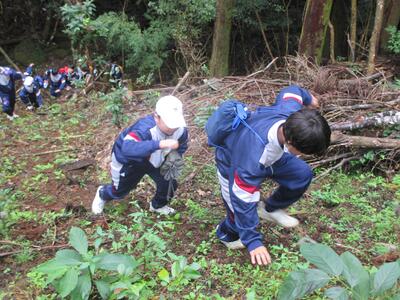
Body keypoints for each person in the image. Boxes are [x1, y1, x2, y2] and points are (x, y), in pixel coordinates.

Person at [212, 85, 331, 266]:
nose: (303, 156)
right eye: (303, 152)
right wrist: (253, 241)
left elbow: (292, 92)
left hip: (272, 156)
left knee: (301, 173)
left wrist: (309, 99)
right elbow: (242, 199)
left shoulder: (290, 115)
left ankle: (269, 208)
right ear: (290, 142)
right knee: (238, 214)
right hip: (233, 163)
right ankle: (226, 233)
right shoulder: (250, 161)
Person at [92, 95, 188, 215]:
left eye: (175, 123)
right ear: (156, 117)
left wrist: (172, 159)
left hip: (156, 160)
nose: (173, 127)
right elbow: (127, 148)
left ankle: (157, 206)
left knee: (169, 183)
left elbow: (182, 146)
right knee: (119, 191)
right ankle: (102, 194)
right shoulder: (144, 129)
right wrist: (160, 144)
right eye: (169, 123)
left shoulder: (181, 130)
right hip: (130, 161)